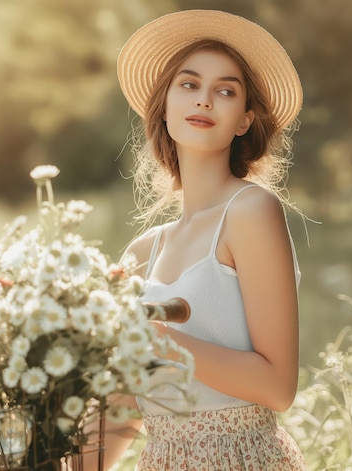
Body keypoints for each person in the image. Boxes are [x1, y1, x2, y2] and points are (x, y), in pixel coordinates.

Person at [99, 9, 308, 470]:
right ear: (166, 106)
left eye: (226, 91)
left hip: (242, 459)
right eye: (189, 85)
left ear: (244, 121)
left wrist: (160, 342)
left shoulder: (251, 212)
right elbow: (127, 404)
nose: (204, 101)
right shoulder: (141, 251)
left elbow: (278, 388)